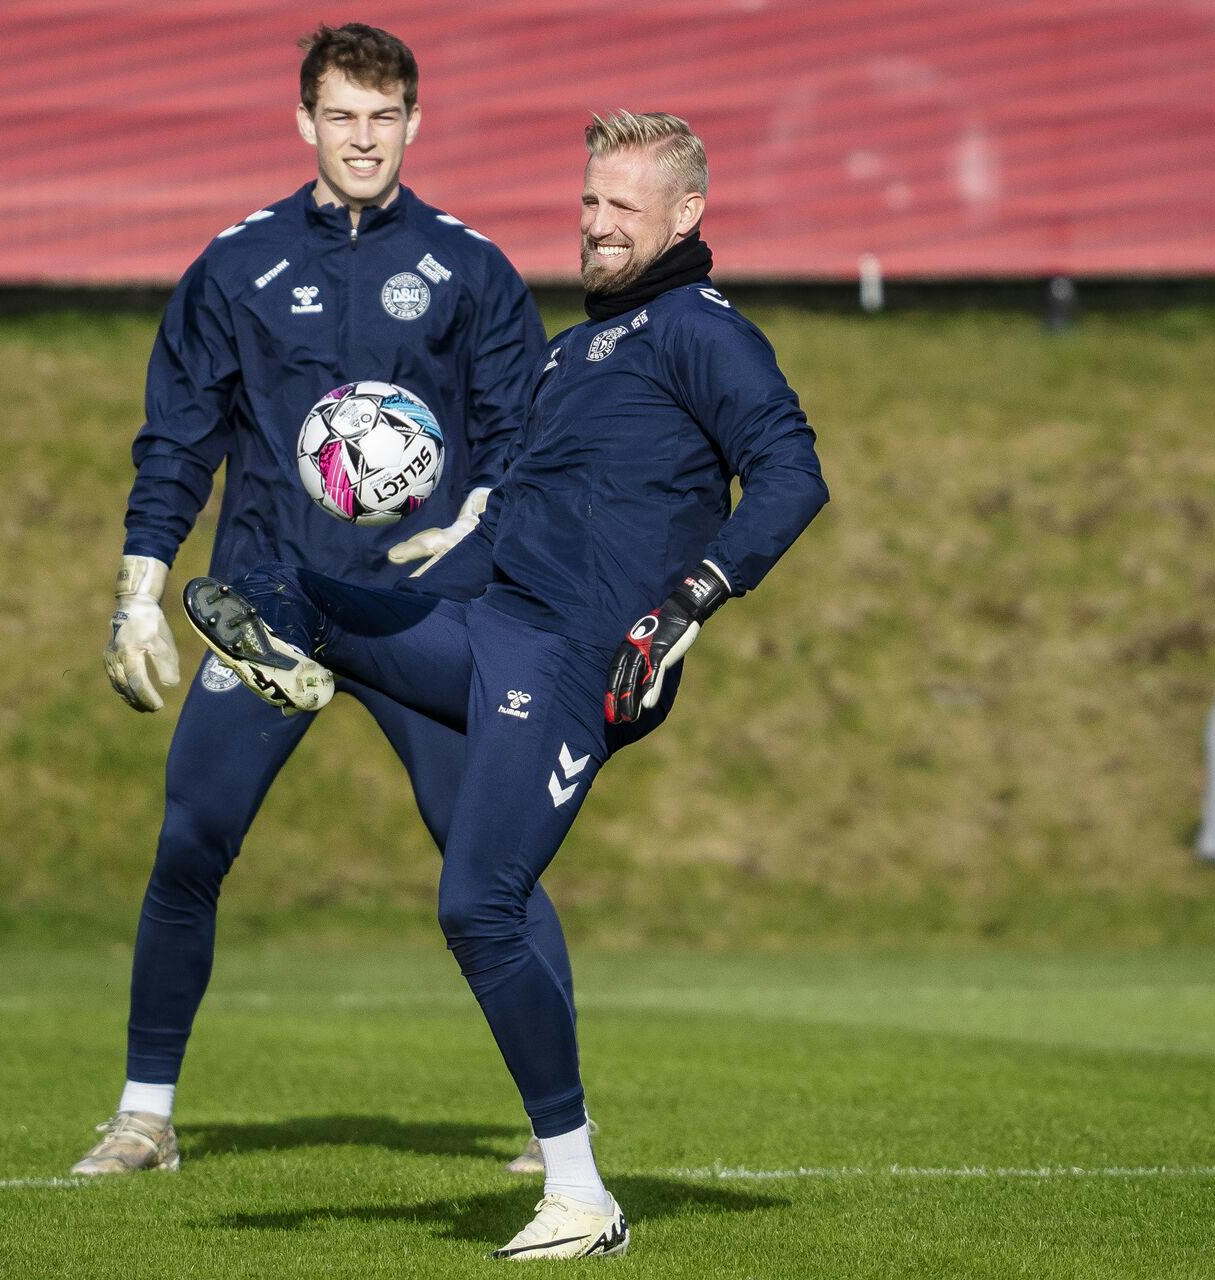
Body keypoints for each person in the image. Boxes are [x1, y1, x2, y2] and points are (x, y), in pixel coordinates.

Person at [179, 111, 829, 1261]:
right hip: (494, 627)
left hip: (580, 659)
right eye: (588, 201)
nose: (595, 223)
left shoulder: (701, 330)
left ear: (686, 213)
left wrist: (689, 600)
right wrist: (418, 579)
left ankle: (580, 1194)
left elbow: (792, 473)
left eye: (621, 205)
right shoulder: (571, 353)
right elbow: (513, 526)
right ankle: (295, 651)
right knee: (293, 583)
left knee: (477, 904)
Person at [80, 23, 571, 1177]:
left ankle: (561, 1130)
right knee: (192, 839)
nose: (363, 137)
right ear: (304, 120)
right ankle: (145, 1116)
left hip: (425, 611)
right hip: (270, 609)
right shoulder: (235, 265)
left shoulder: (471, 269)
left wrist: (476, 518)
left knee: (492, 859)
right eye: (342, 115)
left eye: (383, 116)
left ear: (415, 123)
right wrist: (138, 589)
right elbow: (176, 441)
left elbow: (524, 438)